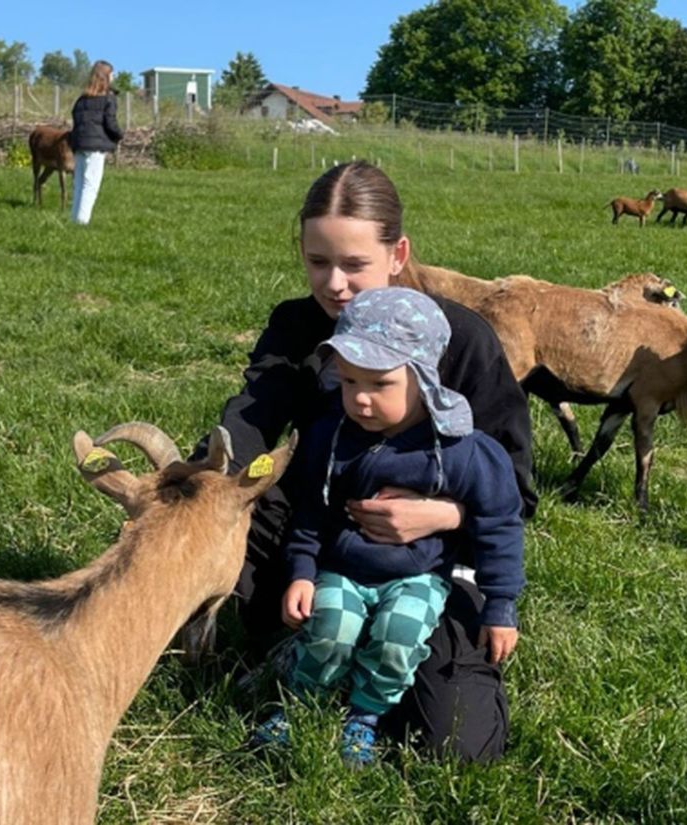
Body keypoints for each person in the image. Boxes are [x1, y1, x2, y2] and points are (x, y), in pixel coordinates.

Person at [194, 161, 536, 762]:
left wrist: (441, 517)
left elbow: (515, 490)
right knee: (207, 558)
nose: (334, 284)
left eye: (355, 265)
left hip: (431, 561)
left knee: (458, 745)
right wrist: (196, 483)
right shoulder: (298, 326)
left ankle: (367, 673)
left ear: (397, 253)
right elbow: (252, 415)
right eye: (317, 262)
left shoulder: (462, 337)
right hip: (322, 525)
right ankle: (298, 643)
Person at [246, 287, 524, 768]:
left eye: (379, 384)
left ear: (423, 379)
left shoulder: (465, 450)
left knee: (399, 635)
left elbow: (501, 525)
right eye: (349, 381)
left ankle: (365, 714)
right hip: (344, 567)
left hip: (418, 576)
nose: (360, 399)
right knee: (331, 626)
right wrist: (302, 572)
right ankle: (299, 697)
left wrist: (500, 605)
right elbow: (311, 510)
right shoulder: (331, 437)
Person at [68, 60, 122, 225]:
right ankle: (82, 221)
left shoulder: (81, 100)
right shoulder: (108, 99)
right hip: (96, 147)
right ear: (105, 77)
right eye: (111, 74)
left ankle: (74, 219)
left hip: (79, 145)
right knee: (90, 185)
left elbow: (76, 121)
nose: (113, 77)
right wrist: (119, 135)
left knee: (79, 183)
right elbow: (110, 123)